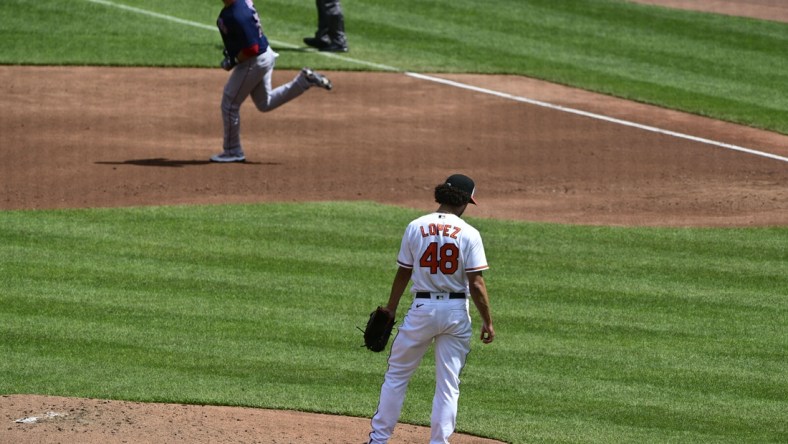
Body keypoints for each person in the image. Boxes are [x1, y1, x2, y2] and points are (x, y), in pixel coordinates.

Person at [368, 174, 495, 444]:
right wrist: (487, 321)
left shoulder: (415, 226)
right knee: (448, 385)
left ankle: (378, 440)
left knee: (397, 376)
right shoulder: (470, 233)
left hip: (421, 310)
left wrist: (391, 308)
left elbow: (403, 272)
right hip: (455, 312)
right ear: (464, 201)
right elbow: (477, 283)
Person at [213, 0, 333, 163]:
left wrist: (232, 60)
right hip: (265, 54)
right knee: (265, 103)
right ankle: (304, 80)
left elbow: (251, 49)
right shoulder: (243, 3)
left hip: (254, 61)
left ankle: (232, 150)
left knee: (229, 103)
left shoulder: (236, 14)